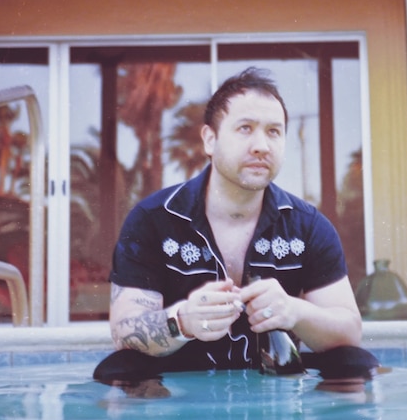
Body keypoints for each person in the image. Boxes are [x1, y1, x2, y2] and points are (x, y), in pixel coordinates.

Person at [93, 67, 379, 385]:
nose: (262, 145)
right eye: (245, 128)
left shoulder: (307, 226)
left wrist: (295, 311)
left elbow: (349, 330)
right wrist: (183, 321)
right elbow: (125, 332)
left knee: (354, 362)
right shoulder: (154, 219)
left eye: (274, 131)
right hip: (179, 391)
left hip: (273, 385)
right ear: (210, 140)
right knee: (118, 369)